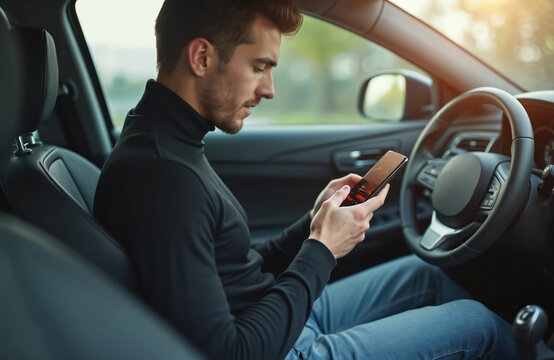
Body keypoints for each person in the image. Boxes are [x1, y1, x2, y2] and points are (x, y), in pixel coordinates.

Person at [93, 0, 516, 359]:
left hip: (278, 313)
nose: (270, 89)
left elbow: (238, 266)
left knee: (425, 274)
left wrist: (312, 224)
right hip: (281, 347)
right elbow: (232, 351)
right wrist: (323, 248)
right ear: (202, 57)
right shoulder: (165, 177)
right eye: (260, 67)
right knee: (480, 326)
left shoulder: (167, 141)